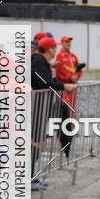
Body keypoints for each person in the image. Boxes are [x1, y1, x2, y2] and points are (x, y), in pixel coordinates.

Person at [30, 37, 76, 185]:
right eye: (54, 48)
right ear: (50, 49)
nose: (56, 50)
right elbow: (45, 83)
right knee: (36, 142)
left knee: (38, 142)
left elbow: (46, 81)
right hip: (37, 107)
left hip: (40, 106)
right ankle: (27, 176)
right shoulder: (38, 61)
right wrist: (63, 86)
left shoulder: (40, 61)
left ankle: (29, 176)